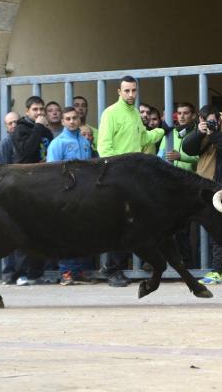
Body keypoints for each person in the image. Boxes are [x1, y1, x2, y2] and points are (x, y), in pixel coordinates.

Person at [97, 75, 166, 287]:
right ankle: (111, 269)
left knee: (130, 224)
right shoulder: (110, 113)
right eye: (126, 91)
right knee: (114, 224)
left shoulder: (136, 113)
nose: (130, 95)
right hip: (117, 178)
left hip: (133, 179)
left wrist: (161, 131)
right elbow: (104, 147)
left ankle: (121, 267)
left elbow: (143, 139)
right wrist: (117, 172)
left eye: (133, 91)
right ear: (119, 91)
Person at [183, 104, 222, 284]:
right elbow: (187, 148)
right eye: (203, 122)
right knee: (211, 230)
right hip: (206, 188)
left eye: (210, 121)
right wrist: (198, 133)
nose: (207, 125)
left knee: (221, 229)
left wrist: (215, 135)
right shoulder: (202, 134)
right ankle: (218, 269)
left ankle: (219, 270)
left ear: (218, 119)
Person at [47, 107, 96, 285]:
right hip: (66, 195)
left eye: (75, 118)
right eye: (68, 118)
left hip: (85, 194)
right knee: (66, 234)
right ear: (62, 121)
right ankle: (66, 272)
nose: (72, 121)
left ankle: (79, 271)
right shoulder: (57, 143)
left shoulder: (84, 141)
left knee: (83, 233)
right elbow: (52, 171)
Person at [11, 95, 54, 285]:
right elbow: (26, 151)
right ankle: (20, 273)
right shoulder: (20, 129)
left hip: (42, 183)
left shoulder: (43, 129)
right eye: (35, 110)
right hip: (24, 184)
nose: (39, 113)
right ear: (27, 111)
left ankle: (37, 272)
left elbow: (50, 146)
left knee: (42, 230)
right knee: (24, 229)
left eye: (41, 110)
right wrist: (38, 127)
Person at [158, 102, 200, 267]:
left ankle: (189, 264)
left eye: (186, 113)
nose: (182, 116)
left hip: (189, 186)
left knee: (186, 230)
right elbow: (160, 156)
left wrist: (181, 157)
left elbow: (202, 158)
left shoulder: (198, 133)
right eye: (179, 113)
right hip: (169, 187)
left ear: (193, 115)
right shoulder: (169, 134)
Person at [0, 111, 20, 279]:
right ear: (6, 126)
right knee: (9, 234)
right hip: (9, 196)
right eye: (10, 123)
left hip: (21, 196)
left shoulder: (22, 141)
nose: (14, 126)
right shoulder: (3, 146)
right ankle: (9, 273)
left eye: (16, 122)